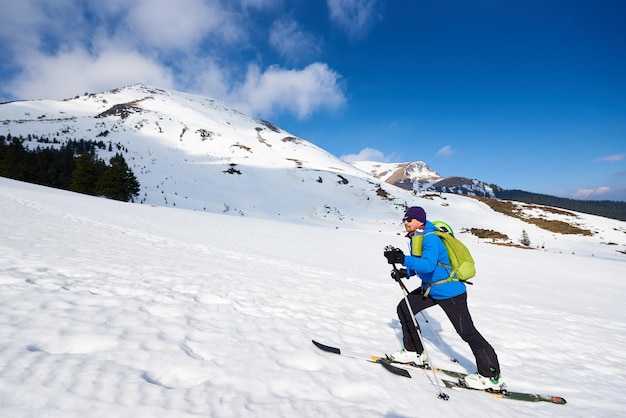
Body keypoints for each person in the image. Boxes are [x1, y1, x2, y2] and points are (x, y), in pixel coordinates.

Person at [383, 206, 503, 390]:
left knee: (467, 332)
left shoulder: (431, 239)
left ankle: (490, 375)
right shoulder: (418, 238)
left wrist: (403, 259)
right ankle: (414, 352)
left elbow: (429, 265)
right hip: (430, 289)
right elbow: (424, 265)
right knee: (404, 308)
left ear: (420, 221)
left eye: (409, 219)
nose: (405, 222)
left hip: (450, 292)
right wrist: (405, 272)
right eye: (404, 219)